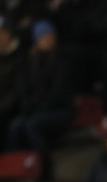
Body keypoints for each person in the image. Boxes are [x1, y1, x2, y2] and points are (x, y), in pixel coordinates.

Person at [6, 20, 72, 169]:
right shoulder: (28, 62)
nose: (47, 40)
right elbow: (23, 89)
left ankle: (44, 166)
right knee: (15, 126)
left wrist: (37, 108)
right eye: (43, 37)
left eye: (49, 36)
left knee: (32, 125)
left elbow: (58, 93)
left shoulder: (62, 61)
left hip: (59, 111)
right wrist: (28, 106)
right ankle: (18, 167)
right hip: (35, 110)